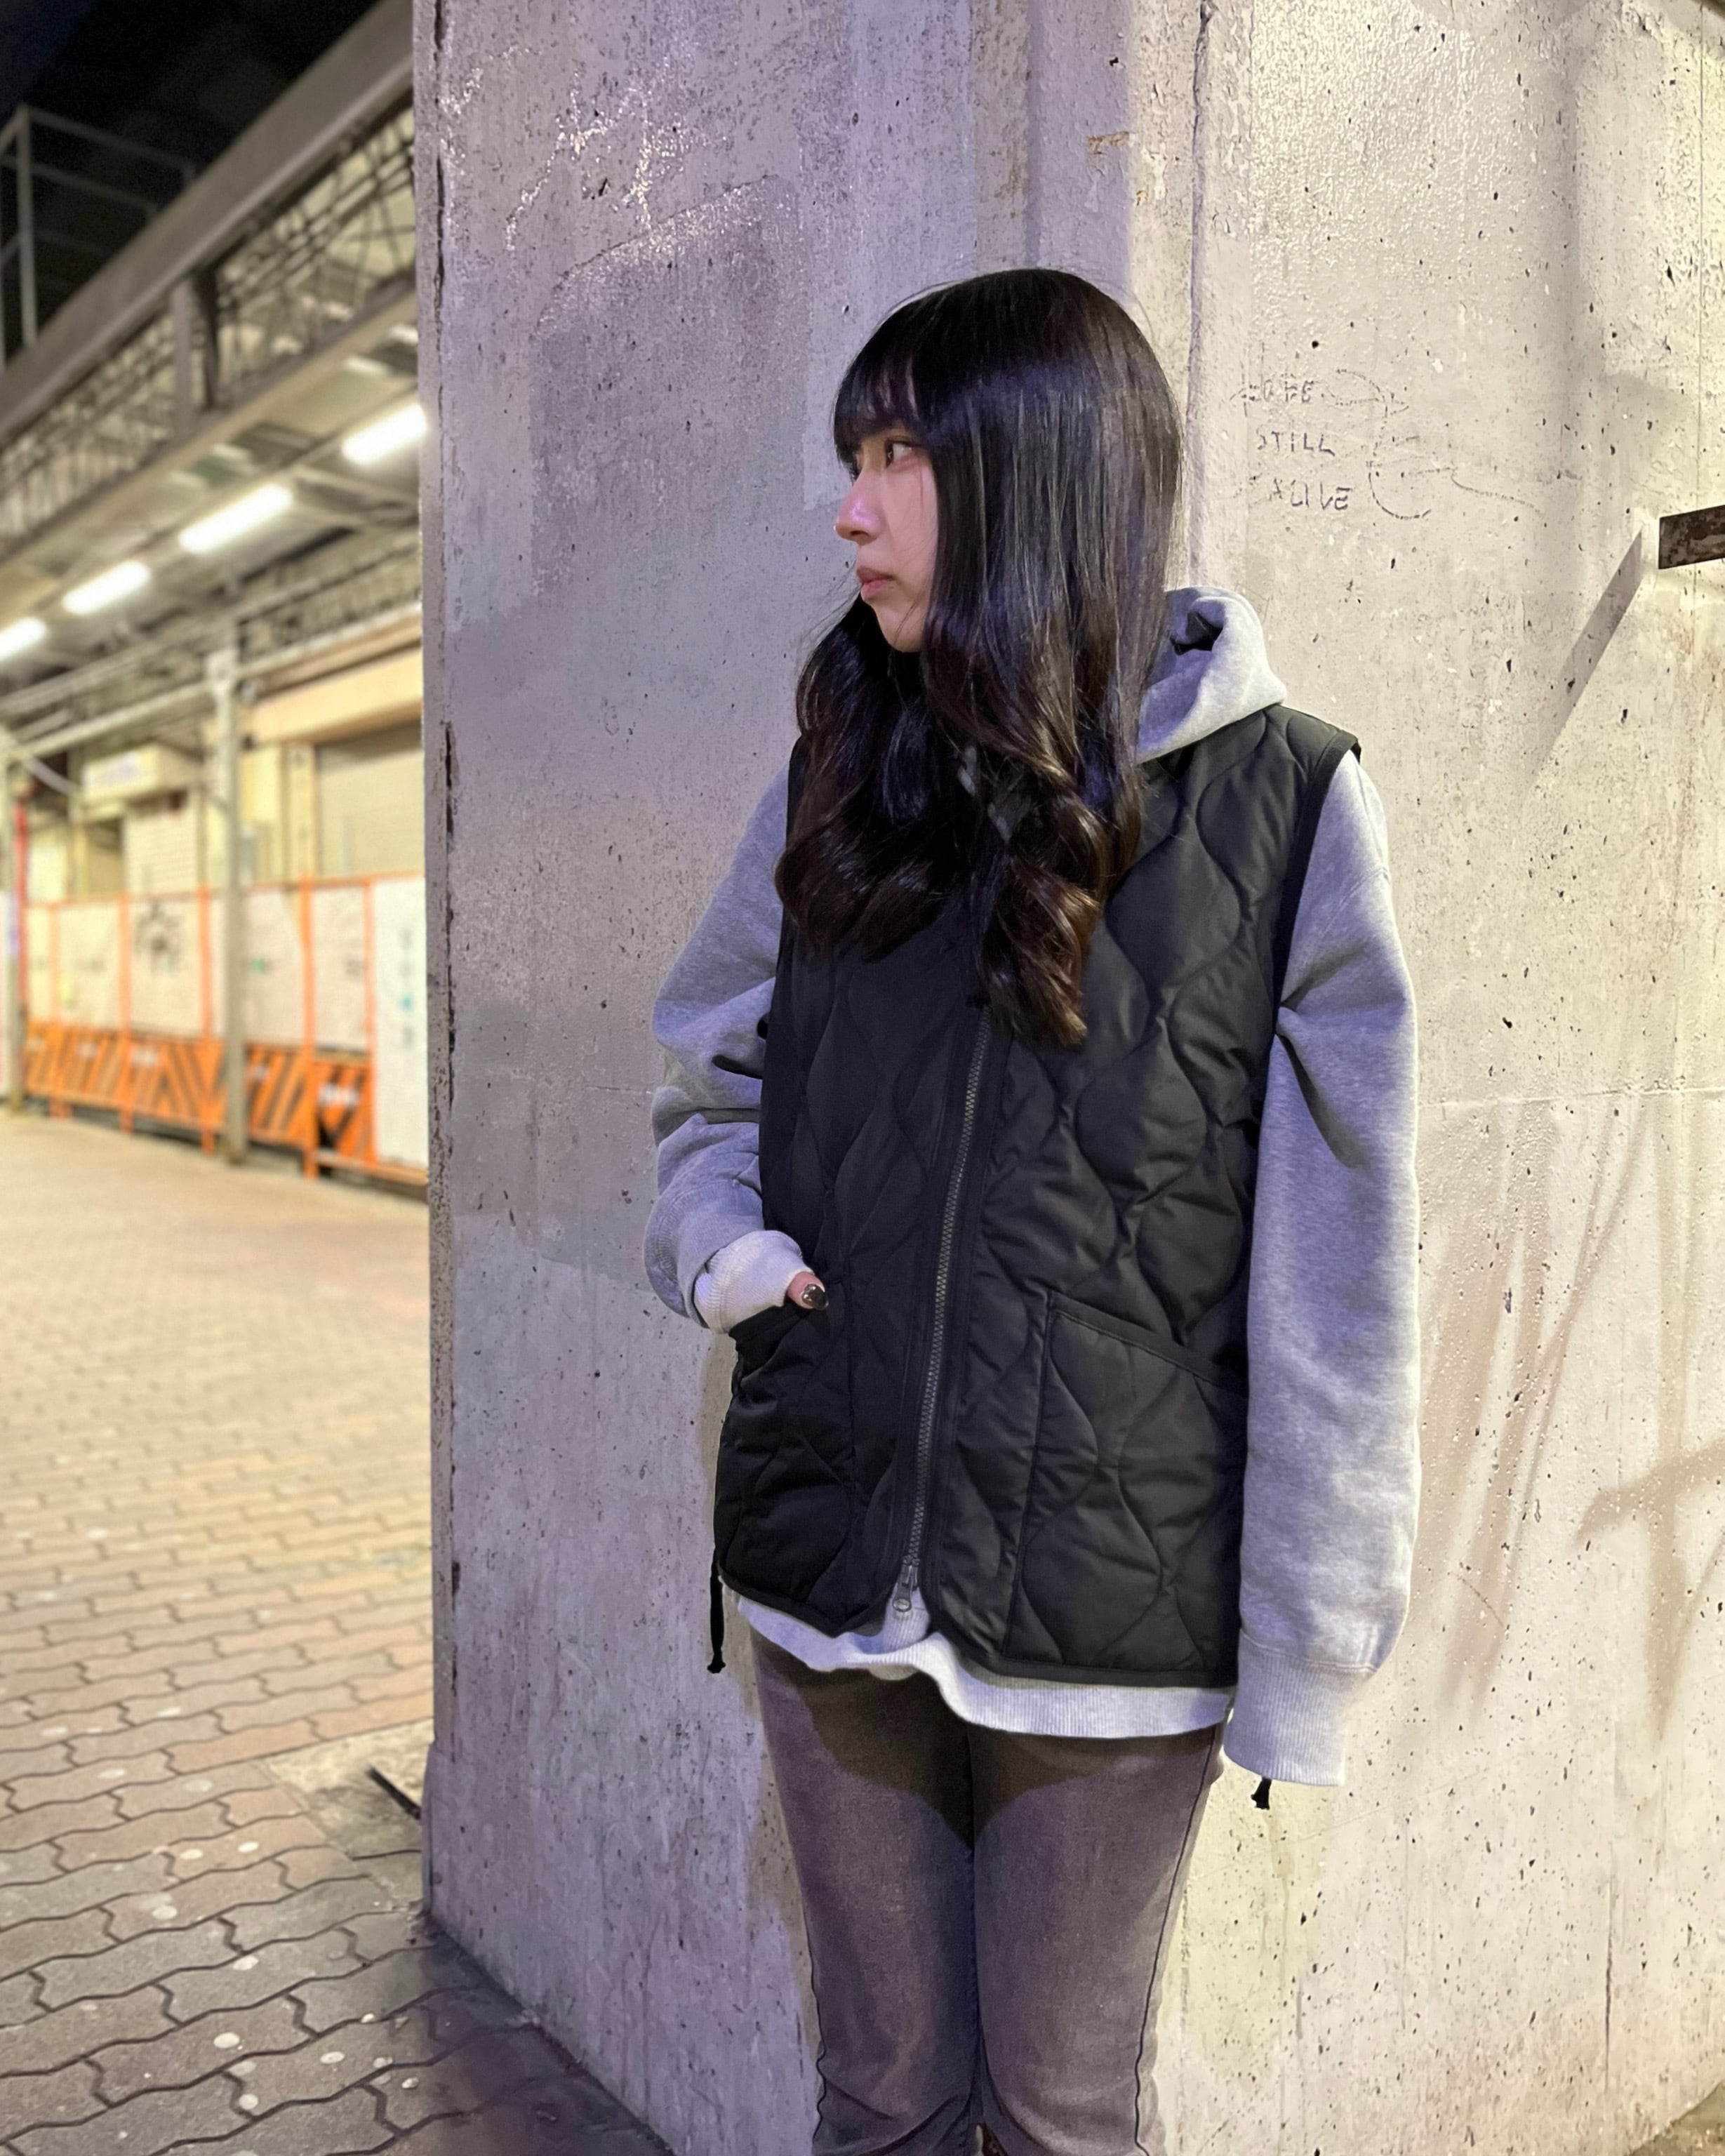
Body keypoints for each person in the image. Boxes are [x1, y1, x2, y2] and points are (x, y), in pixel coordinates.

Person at [646, 268, 1419, 2156]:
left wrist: (1308, 1649)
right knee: (880, 2103)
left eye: (898, 455)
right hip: (833, 1567)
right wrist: (723, 1253)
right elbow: (707, 1072)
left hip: (1116, 1626)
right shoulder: (841, 768)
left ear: (1039, 471)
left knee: (1062, 2113)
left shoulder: (1287, 804)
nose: (850, 510)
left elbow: (1343, 1275)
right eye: (852, 457)